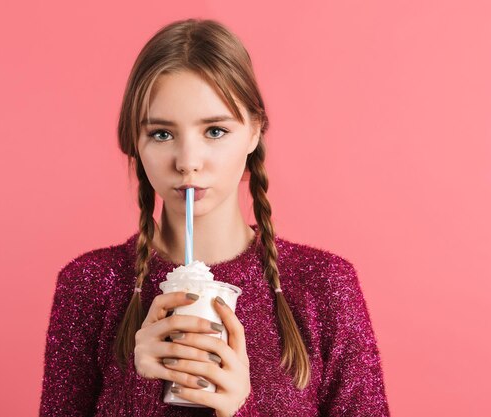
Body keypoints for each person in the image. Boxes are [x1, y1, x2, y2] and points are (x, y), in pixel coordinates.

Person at [39, 18, 390, 417]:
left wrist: (240, 408)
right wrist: (137, 388)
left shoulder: (324, 286)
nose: (188, 163)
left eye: (215, 131)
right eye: (161, 134)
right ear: (133, 142)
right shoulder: (88, 285)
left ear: (254, 131)